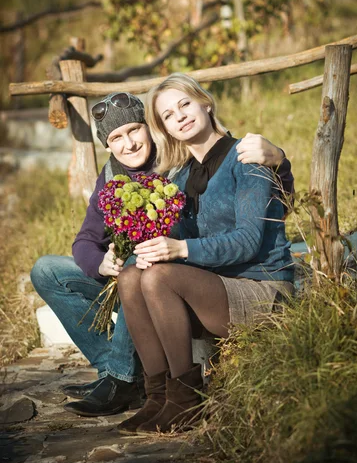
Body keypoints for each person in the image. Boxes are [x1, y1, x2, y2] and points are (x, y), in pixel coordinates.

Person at [30, 90, 294, 419]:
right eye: (116, 138)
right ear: (107, 145)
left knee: (141, 263)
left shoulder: (178, 165)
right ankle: (119, 375)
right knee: (49, 269)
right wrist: (100, 262)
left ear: (150, 128)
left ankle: (127, 379)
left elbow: (272, 204)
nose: (128, 143)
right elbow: (85, 238)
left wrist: (279, 159)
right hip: (147, 276)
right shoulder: (112, 176)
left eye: (134, 130)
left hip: (188, 275)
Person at [115, 74, 295, 436]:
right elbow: (175, 239)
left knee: (159, 276)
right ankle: (159, 396)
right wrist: (139, 249)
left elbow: (247, 240)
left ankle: (187, 400)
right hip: (215, 287)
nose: (179, 116)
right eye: (168, 115)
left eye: (185, 104)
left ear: (205, 103)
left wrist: (180, 249)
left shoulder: (245, 156)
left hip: (263, 288)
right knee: (133, 276)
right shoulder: (179, 177)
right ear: (164, 128)